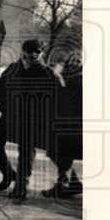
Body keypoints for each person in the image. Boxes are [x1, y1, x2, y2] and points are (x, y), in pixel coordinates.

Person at [0, 39, 63, 201]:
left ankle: (21, 187)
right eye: (29, 52)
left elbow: (59, 97)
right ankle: (8, 174)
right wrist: (5, 107)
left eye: (37, 52)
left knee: (26, 151)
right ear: (23, 53)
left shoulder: (49, 73)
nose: (33, 55)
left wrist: (45, 116)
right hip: (10, 115)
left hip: (33, 120)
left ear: (41, 53)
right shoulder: (13, 69)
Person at [43, 52, 82, 199]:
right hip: (71, 129)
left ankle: (65, 184)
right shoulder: (71, 80)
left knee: (59, 149)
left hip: (77, 131)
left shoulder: (77, 82)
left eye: (75, 63)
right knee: (56, 149)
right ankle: (69, 182)